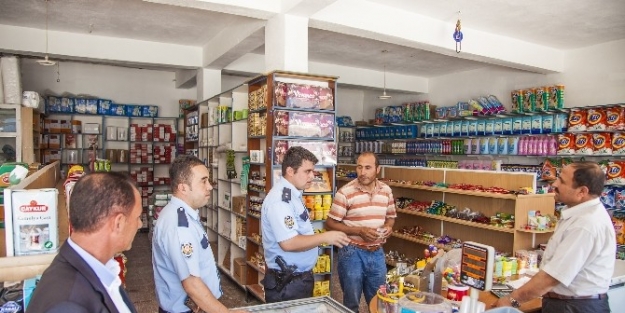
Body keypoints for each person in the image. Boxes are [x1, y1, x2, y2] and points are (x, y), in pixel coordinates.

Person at [494, 161, 615, 313]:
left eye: (562, 181)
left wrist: (512, 300)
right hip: (567, 303)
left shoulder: (585, 224)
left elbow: (551, 277)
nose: (554, 183)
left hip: (576, 308)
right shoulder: (577, 213)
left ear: (582, 192)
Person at [28, 172, 141, 313]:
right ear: (118, 223)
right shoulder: (68, 305)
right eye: (137, 217)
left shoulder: (102, 269)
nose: (140, 224)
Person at [152, 155, 246, 313]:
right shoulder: (179, 225)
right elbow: (192, 283)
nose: (210, 186)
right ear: (183, 188)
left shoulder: (183, 215)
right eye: (203, 181)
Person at [261, 146, 350, 303]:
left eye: (312, 171)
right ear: (290, 171)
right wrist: (325, 237)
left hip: (297, 279)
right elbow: (289, 243)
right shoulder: (280, 200)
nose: (312, 176)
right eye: (307, 171)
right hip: (287, 283)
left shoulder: (293, 194)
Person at [326, 152, 396, 312]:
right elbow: (330, 223)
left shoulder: (386, 191)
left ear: (378, 169)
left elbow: (391, 217)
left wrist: (388, 227)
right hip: (352, 253)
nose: (362, 172)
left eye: (368, 168)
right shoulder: (345, 192)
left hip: (377, 253)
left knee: (379, 302)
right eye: (359, 167)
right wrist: (358, 230)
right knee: (351, 304)